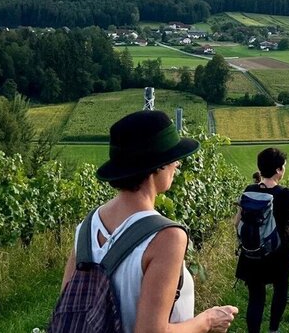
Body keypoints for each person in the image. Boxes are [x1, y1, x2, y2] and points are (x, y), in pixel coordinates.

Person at [57, 110, 238, 333]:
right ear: (158, 166)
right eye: (173, 158)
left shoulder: (86, 227)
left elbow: (66, 312)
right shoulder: (167, 237)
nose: (177, 164)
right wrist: (208, 320)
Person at [235, 148, 289, 333]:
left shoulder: (249, 190)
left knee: (255, 297)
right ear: (278, 169)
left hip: (252, 253)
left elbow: (237, 222)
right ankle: (273, 329)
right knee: (280, 290)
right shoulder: (285, 194)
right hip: (278, 254)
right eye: (283, 167)